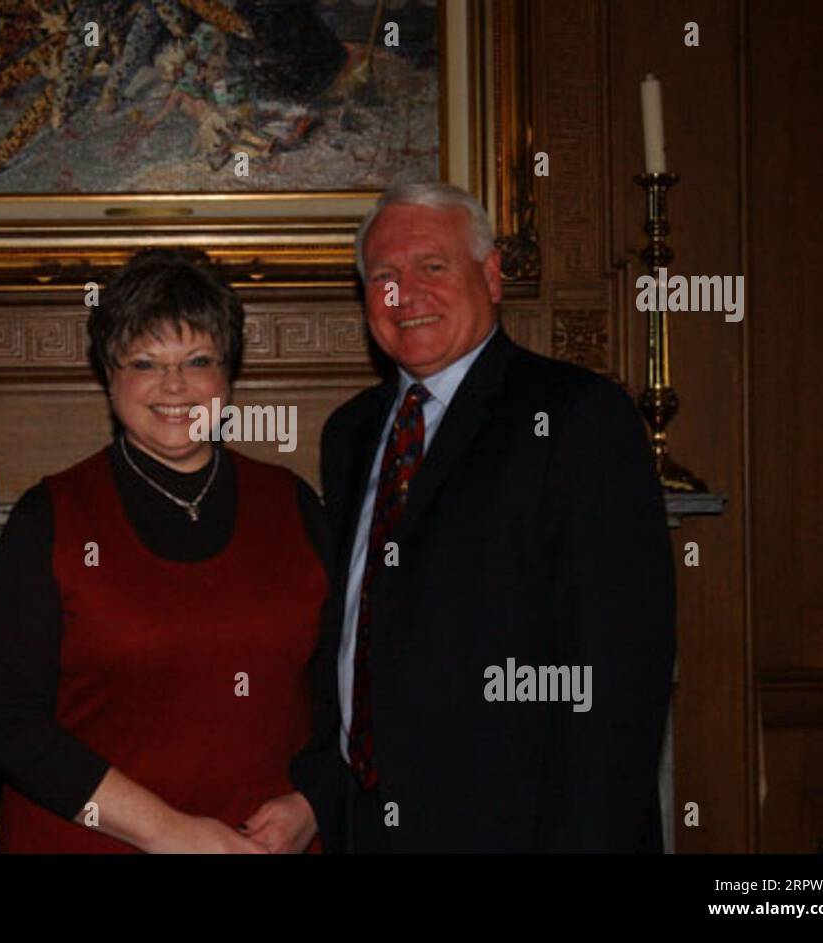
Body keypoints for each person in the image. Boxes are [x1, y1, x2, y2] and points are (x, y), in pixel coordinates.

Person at [289, 182, 676, 852]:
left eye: (432, 266)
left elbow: (618, 674)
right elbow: (353, 632)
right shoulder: (351, 433)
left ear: (491, 276)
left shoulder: (578, 417)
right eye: (383, 276)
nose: (406, 293)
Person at [0, 248, 338, 853]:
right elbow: (2, 718)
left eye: (198, 361)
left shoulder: (293, 504)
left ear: (228, 372)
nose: (175, 386)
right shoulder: (52, 517)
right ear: (108, 374)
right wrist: (170, 833)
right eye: (145, 362)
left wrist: (313, 801)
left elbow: (343, 690)